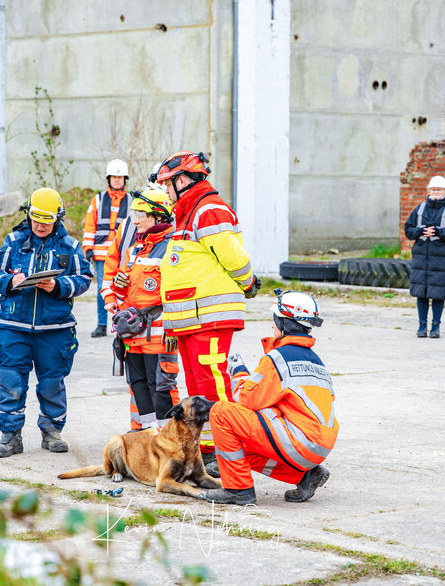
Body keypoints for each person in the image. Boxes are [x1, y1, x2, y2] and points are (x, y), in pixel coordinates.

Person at [155, 151, 261, 467]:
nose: (166, 191)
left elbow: (232, 254)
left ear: (183, 180)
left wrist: (249, 280)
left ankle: (227, 452)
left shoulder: (208, 209)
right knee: (198, 387)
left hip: (209, 317)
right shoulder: (188, 212)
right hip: (192, 319)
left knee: (211, 383)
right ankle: (212, 450)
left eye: (167, 184)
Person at [204, 289, 337, 505]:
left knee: (220, 412)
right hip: (319, 444)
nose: (272, 326)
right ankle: (305, 477)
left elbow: (246, 401)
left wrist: (238, 371)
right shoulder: (316, 361)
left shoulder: (278, 358)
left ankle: (238, 490)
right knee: (240, 449)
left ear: (283, 324)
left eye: (274, 320)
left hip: (300, 441)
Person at [0, 188, 93, 457]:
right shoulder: (13, 241)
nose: (40, 225)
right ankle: (10, 437)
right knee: (11, 380)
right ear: (28, 214)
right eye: (35, 218)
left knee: (52, 382)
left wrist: (57, 285)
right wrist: (10, 282)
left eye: (46, 220)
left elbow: (84, 279)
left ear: (58, 218)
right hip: (13, 325)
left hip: (55, 329)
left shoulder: (71, 248)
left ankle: (51, 432)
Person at [104, 189, 181, 429]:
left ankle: (169, 440)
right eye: (134, 214)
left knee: (159, 387)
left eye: (141, 215)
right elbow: (123, 293)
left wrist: (173, 329)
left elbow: (178, 294)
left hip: (159, 336)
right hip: (133, 336)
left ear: (158, 217)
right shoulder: (135, 250)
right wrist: (118, 287)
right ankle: (148, 437)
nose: (135, 220)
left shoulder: (173, 249)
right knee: (137, 383)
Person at [404, 175, 445, 338]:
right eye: (433, 189)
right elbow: (408, 230)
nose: (436, 192)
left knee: (438, 294)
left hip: (442, 259)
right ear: (428, 190)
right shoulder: (419, 209)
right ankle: (422, 326)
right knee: (421, 293)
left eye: (439, 189)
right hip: (421, 257)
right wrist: (421, 231)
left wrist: (438, 232)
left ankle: (435, 327)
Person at [83, 159, 131, 338]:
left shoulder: (132, 200)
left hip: (124, 253)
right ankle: (102, 324)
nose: (117, 180)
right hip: (101, 254)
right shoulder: (97, 200)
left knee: (125, 288)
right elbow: (90, 225)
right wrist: (87, 248)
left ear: (124, 179)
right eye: (114, 177)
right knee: (103, 289)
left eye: (120, 177)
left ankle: (124, 322)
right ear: (108, 179)